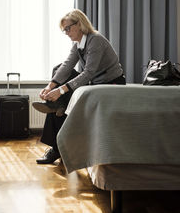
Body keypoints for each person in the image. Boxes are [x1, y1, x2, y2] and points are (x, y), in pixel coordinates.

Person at [33, 9, 126, 164]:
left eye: (68, 28)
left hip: (110, 83)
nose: (67, 33)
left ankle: (57, 147)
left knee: (60, 97)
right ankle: (57, 106)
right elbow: (67, 65)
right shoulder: (78, 44)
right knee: (58, 70)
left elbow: (89, 72)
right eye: (64, 30)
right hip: (94, 81)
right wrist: (50, 87)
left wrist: (60, 90)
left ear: (80, 24)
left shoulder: (95, 40)